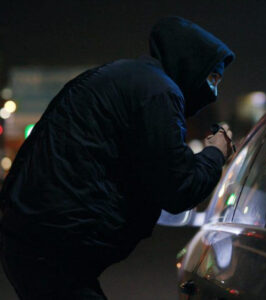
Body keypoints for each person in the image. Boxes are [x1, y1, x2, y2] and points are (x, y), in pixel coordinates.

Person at [0, 16, 235, 299]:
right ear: (191, 64)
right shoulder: (158, 92)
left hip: (38, 239)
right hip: (55, 248)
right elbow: (180, 188)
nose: (214, 92)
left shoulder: (127, 79)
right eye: (212, 78)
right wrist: (215, 151)